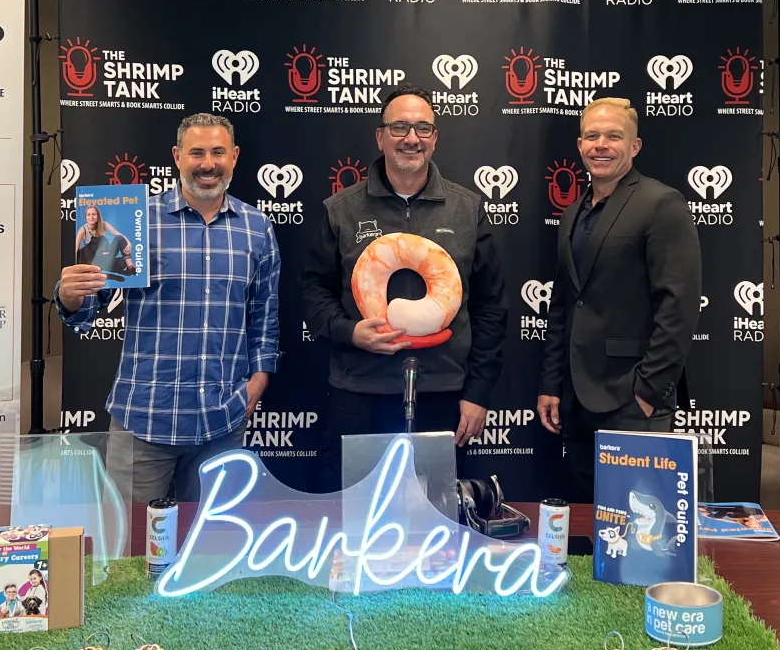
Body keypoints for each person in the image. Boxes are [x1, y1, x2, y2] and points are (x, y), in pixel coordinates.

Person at [58, 113, 280, 503]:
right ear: (177, 157)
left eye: (217, 152)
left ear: (235, 156)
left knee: (213, 548)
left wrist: (259, 379)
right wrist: (70, 294)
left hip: (222, 421)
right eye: (196, 153)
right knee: (129, 552)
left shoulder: (257, 227)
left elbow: (265, 313)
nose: (207, 163)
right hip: (144, 420)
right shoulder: (139, 223)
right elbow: (90, 305)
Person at [301, 84, 506, 484]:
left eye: (422, 129)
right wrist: (349, 332)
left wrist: (477, 392)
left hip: (443, 391)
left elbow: (491, 307)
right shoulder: (341, 210)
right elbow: (313, 292)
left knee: (438, 517)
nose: (411, 139)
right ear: (380, 136)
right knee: (356, 513)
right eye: (399, 127)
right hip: (359, 391)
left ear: (435, 138)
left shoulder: (468, 211)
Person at [538, 97, 703, 503]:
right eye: (592, 136)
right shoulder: (572, 211)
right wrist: (552, 384)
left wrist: (648, 391)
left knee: (638, 527)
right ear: (579, 146)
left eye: (614, 136)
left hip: (632, 399)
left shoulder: (661, 203)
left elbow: (678, 306)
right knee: (588, 519)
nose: (601, 144)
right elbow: (563, 304)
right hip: (576, 400)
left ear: (635, 146)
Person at [74, 204, 135, 278]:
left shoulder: (104, 225)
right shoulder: (82, 230)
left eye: (94, 214)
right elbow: (75, 250)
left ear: (98, 216)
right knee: (119, 264)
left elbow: (119, 235)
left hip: (105, 255)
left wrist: (129, 243)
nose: (91, 217)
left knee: (120, 243)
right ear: (85, 217)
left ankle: (130, 268)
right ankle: (107, 270)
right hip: (94, 260)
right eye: (88, 215)